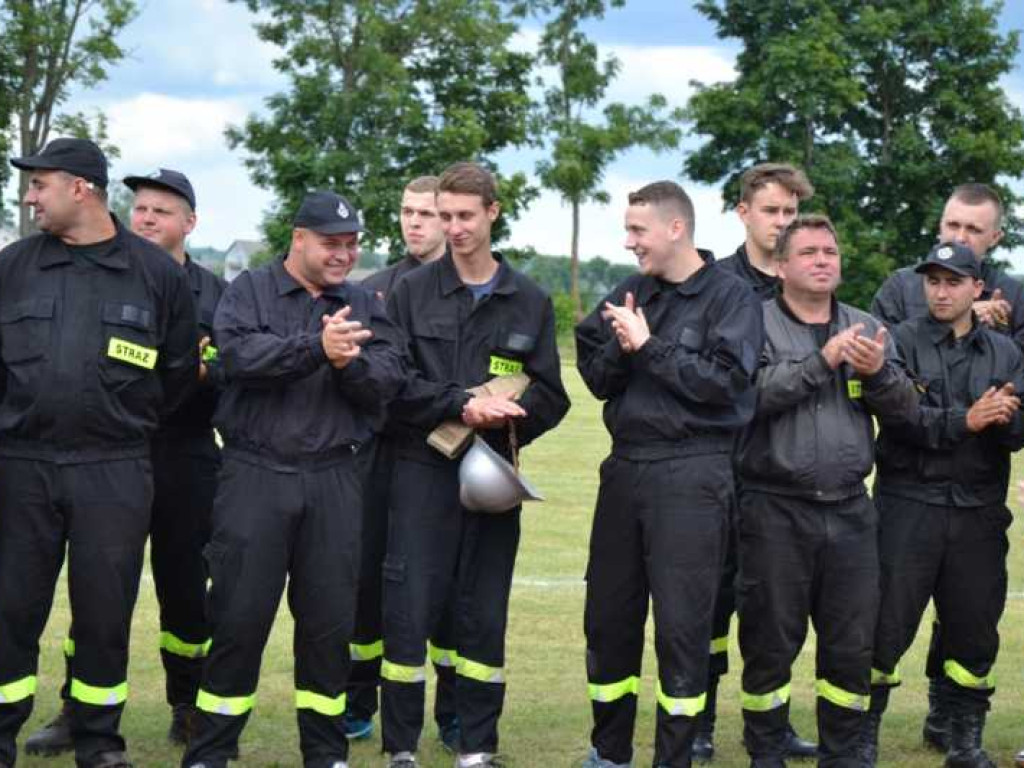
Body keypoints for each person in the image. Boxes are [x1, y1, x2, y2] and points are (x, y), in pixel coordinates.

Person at [180, 190, 405, 768]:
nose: (344, 255)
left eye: (352, 245)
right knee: (237, 615)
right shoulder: (249, 291)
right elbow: (239, 358)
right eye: (332, 243)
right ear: (298, 238)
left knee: (329, 623)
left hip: (335, 477)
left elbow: (386, 381)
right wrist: (316, 348)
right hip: (255, 474)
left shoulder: (365, 303)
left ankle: (325, 753)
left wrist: (348, 363)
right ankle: (211, 750)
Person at [0, 138, 199, 768]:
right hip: (22, 465)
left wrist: (117, 425)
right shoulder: (12, 268)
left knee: (105, 611)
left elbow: (174, 373)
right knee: (9, 607)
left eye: (40, 185)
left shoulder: (157, 275)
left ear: (80, 187)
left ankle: (98, 741)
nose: (30, 198)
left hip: (113, 468)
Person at [379, 161, 569, 768]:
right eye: (444, 216)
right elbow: (390, 382)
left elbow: (551, 394)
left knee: (483, 611)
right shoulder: (409, 293)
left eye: (464, 216)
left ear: (492, 213)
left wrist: (512, 415)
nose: (453, 228)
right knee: (410, 609)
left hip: (491, 473)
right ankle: (401, 746)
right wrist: (462, 404)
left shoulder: (529, 300)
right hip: (420, 468)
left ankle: (477, 745)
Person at [575, 180, 764, 768]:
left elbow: (727, 386)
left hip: (693, 475)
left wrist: (650, 347)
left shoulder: (730, 299)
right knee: (608, 619)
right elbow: (597, 372)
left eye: (638, 231)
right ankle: (609, 753)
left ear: (675, 228)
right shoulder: (633, 291)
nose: (629, 242)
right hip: (626, 470)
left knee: (682, 628)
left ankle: (674, 758)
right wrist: (623, 347)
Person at [735, 215, 917, 768]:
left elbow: (908, 410)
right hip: (774, 507)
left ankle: (843, 753)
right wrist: (822, 362)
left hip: (849, 511)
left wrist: (880, 373)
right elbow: (747, 398)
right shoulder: (753, 323)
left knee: (850, 644)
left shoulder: (868, 327)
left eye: (830, 252)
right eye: (809, 252)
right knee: (770, 641)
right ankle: (766, 749)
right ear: (782, 266)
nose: (822, 260)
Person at [869, 182, 1024, 751]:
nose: (940, 290)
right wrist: (971, 417)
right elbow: (900, 408)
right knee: (883, 624)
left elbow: (1017, 417)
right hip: (908, 503)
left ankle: (963, 737)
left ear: (982, 278)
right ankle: (859, 738)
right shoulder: (901, 328)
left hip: (979, 507)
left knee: (973, 626)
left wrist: (1004, 416)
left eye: (953, 279)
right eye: (933, 279)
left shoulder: (1007, 346)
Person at [700, 163, 818, 761]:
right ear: (743, 212)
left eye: (790, 213)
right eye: (772, 211)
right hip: (720, 469)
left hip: (782, 477)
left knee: (777, 612)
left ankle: (773, 723)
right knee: (709, 603)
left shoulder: (808, 285)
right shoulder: (716, 283)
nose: (782, 223)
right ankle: (697, 718)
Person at [345, 175, 458, 748]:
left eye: (428, 214)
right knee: (364, 579)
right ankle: (358, 700)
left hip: (442, 454)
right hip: (376, 452)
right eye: (408, 212)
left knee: (439, 586)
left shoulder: (463, 289)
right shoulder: (373, 290)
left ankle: (452, 711)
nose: (415, 223)